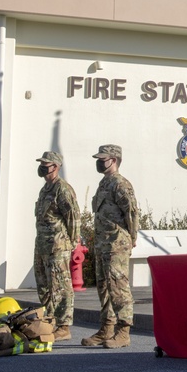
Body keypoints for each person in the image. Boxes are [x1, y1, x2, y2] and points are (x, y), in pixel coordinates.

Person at [81, 144, 139, 349]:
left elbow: (131, 212)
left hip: (116, 244)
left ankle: (123, 332)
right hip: (102, 244)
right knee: (104, 287)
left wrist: (131, 237)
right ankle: (107, 328)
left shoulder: (120, 184)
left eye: (102, 159)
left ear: (113, 160)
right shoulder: (104, 183)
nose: (99, 162)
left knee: (118, 287)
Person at [33, 151, 79, 341]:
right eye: (42, 164)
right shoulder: (45, 189)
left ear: (56, 166)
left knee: (60, 286)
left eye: (46, 164)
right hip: (42, 244)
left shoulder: (62, 189)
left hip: (58, 246)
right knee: (44, 285)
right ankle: (50, 320)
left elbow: (73, 217)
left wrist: (73, 243)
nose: (42, 167)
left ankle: (63, 326)